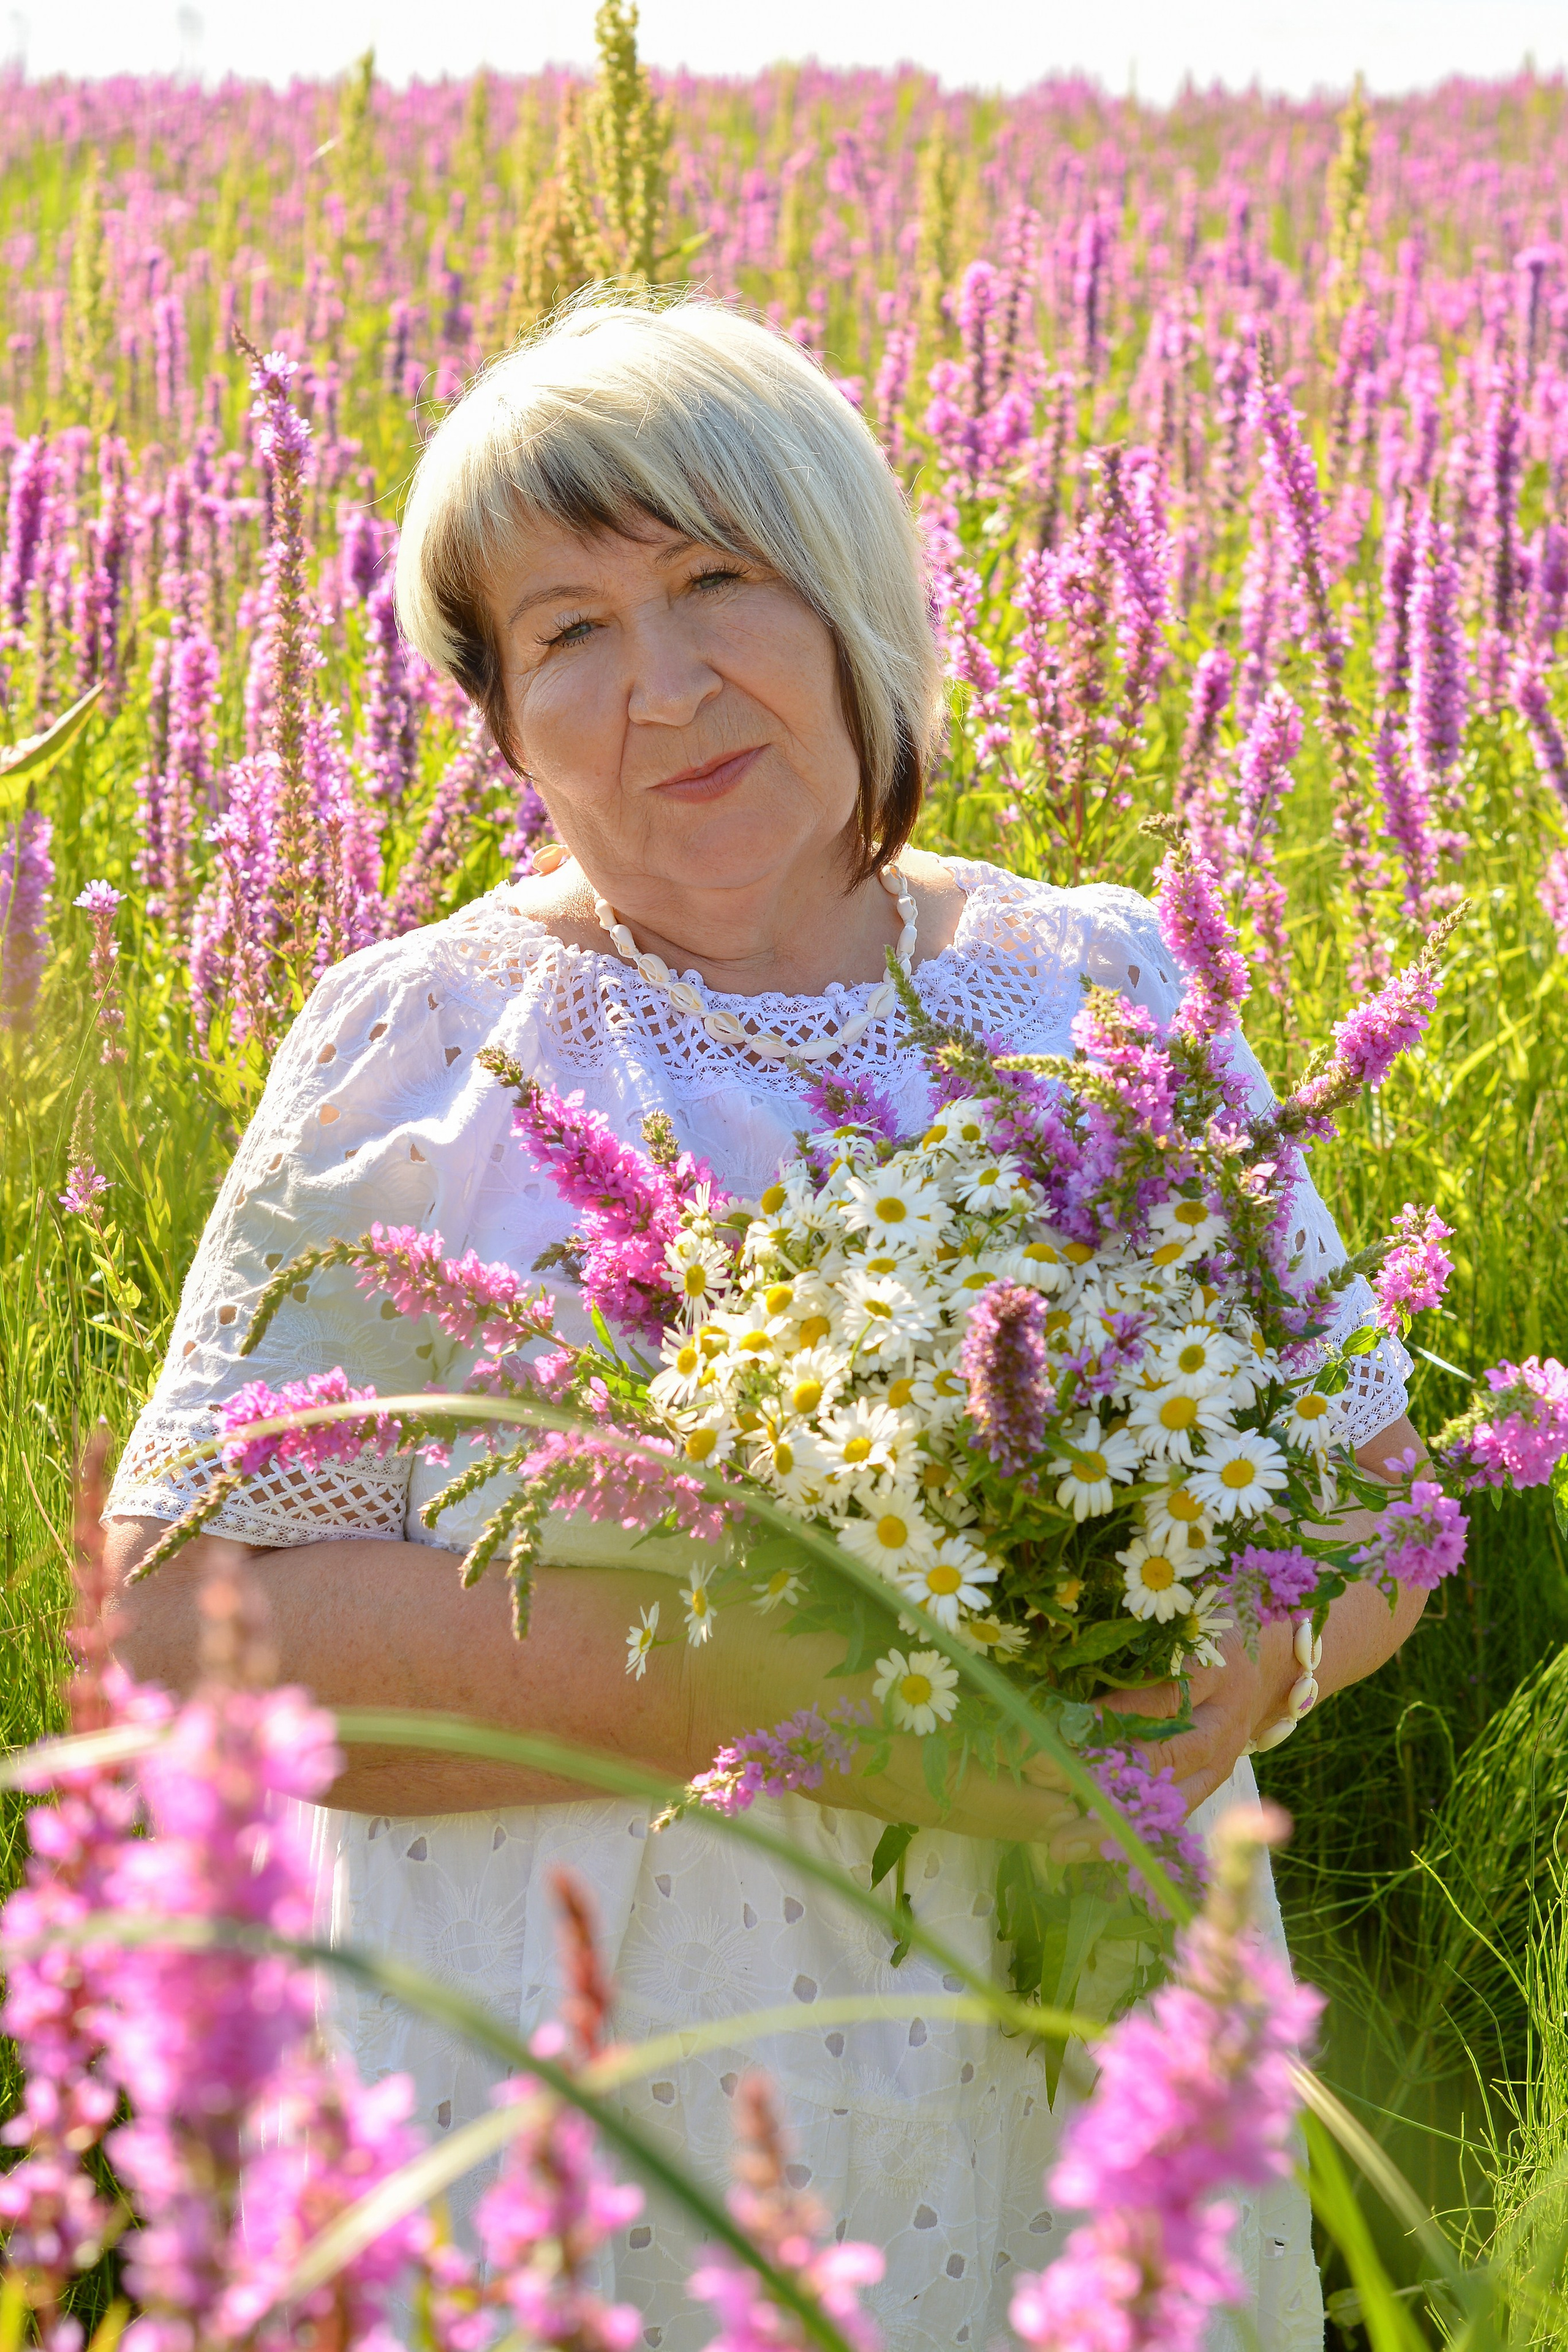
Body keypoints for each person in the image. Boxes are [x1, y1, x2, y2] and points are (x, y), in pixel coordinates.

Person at [107, 292, 1423, 2352]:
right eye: (567, 632)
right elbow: (187, 1618)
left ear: (856, 600)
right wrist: (810, 1697)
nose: (669, 687)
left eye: (723, 579)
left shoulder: (1108, 998)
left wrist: (1191, 1710)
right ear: (498, 716)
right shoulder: (428, 1050)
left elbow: (1376, 1509)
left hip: (1075, 2097)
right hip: (577, 2086)